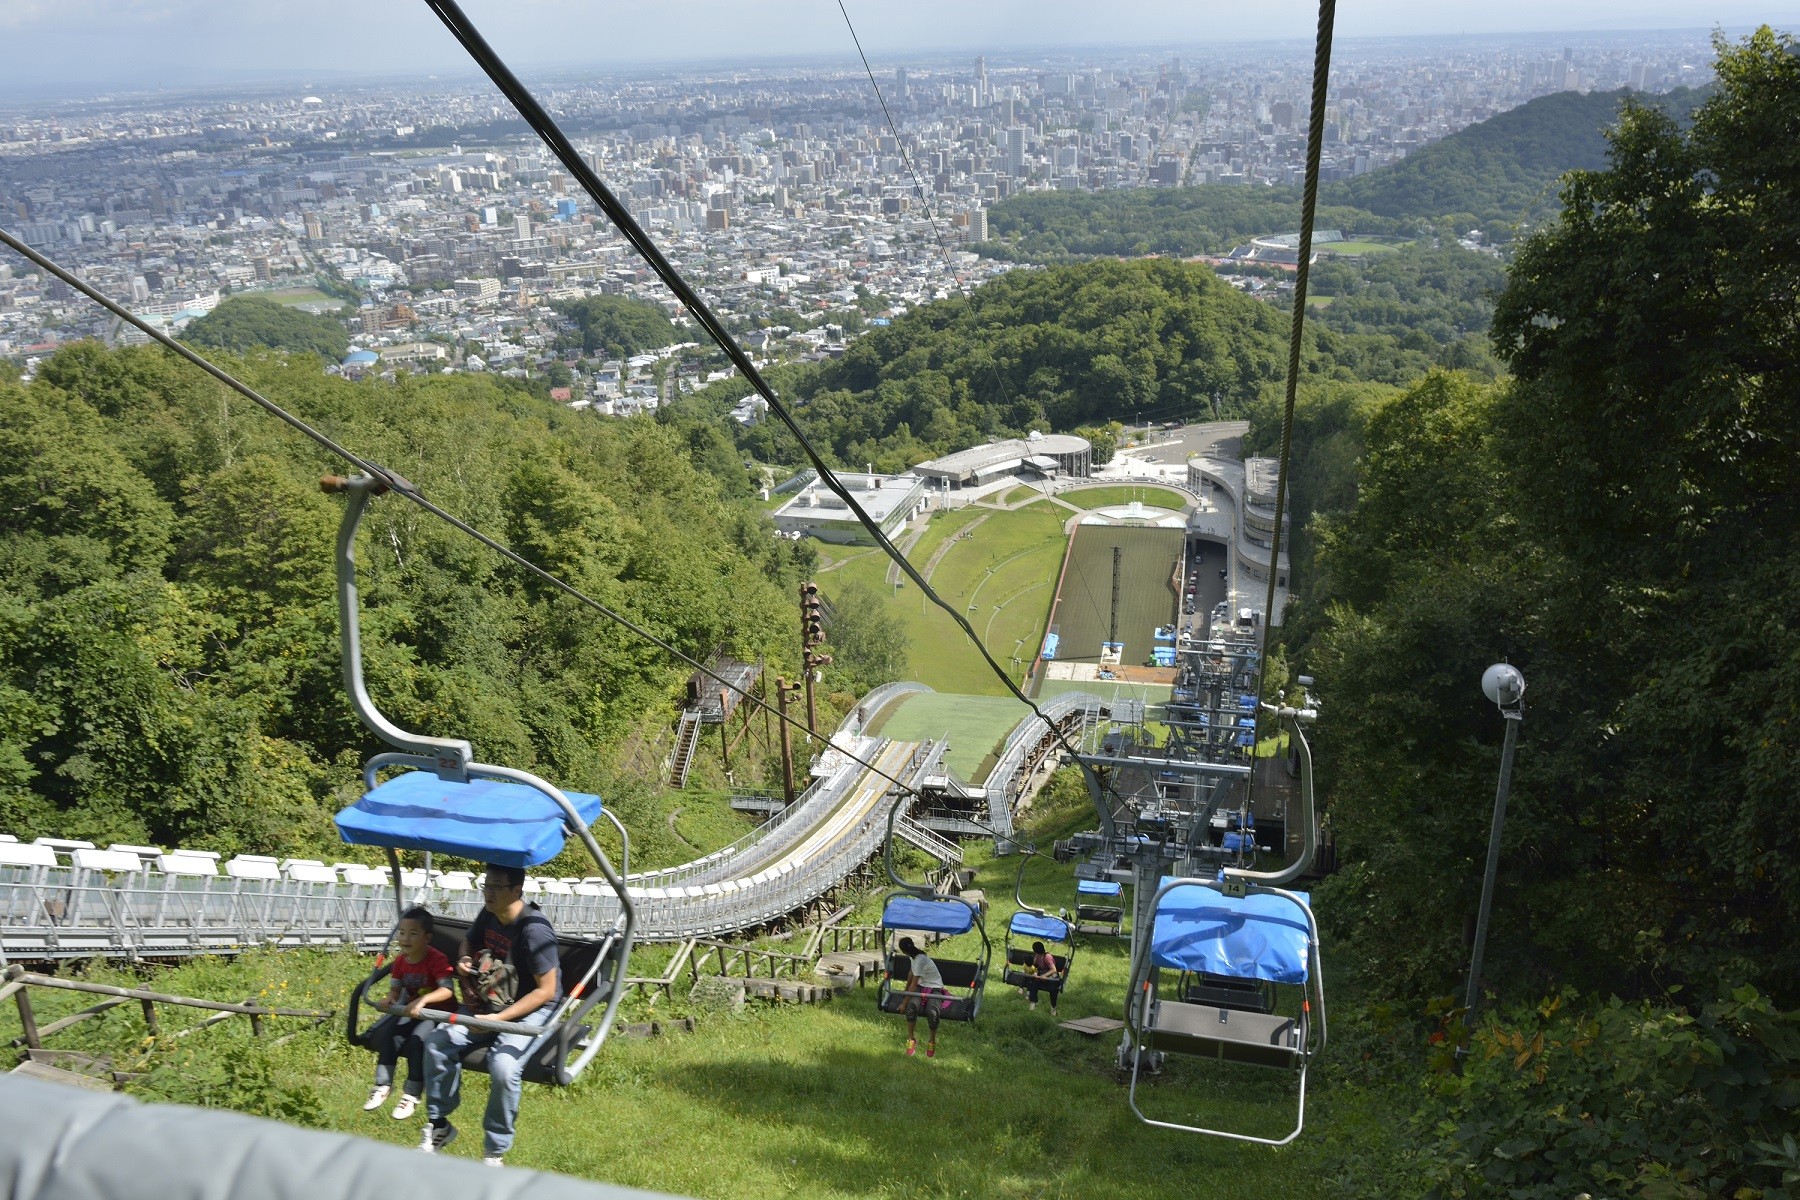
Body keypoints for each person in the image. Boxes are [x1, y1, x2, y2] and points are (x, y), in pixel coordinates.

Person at [420, 864, 561, 1167]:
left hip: (531, 1009)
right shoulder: (490, 913)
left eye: (497, 886)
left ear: (516, 890)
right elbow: (468, 942)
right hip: (491, 1001)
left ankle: (494, 1150)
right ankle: (439, 1123)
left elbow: (547, 991)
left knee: (504, 1067)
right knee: (437, 1043)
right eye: (487, 885)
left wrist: (499, 1021)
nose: (489, 892)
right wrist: (464, 959)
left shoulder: (534, 931)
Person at [363, 906, 454, 1120]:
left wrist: (424, 999)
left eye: (413, 934)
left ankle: (412, 1094)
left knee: (416, 1042)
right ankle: (383, 1085)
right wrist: (390, 998)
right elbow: (396, 989)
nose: (406, 938)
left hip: (435, 1013)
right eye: (402, 933)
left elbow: (447, 990)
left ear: (427, 938)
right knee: (390, 1036)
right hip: (413, 1010)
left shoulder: (436, 959)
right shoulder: (401, 961)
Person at [896, 936, 951, 1059]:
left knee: (932, 1011)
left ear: (904, 951)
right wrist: (905, 991)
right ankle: (911, 1039)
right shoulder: (913, 956)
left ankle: (931, 1040)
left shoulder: (920, 959)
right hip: (921, 986)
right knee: (912, 1006)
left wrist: (903, 1003)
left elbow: (914, 982)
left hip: (934, 987)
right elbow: (911, 973)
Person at [1023, 940, 1061, 1017]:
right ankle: (1033, 1001)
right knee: (1034, 984)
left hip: (1051, 977)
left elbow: (1054, 969)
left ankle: (1053, 1007)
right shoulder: (1038, 956)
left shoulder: (1047, 957)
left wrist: (1045, 976)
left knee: (1053, 990)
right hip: (1042, 976)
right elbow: (1034, 964)